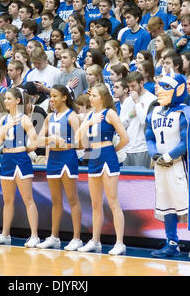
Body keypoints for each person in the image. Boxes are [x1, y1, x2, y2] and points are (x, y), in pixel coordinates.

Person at [145, 72, 190, 259]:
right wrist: (154, 154)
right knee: (166, 205)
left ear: (179, 89)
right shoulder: (153, 112)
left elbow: (187, 140)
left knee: (189, 204)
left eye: (166, 87)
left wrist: (169, 156)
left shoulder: (186, 112)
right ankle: (172, 244)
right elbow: (149, 136)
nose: (160, 90)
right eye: (159, 86)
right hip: (161, 166)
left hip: (180, 166)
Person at [75, 83, 129, 255]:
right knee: (95, 203)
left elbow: (125, 138)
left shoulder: (110, 113)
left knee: (113, 201)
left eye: (95, 95)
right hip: (92, 155)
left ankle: (120, 243)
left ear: (104, 97)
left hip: (106, 155)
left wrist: (113, 150)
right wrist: (87, 122)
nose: (91, 98)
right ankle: (95, 241)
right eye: (90, 95)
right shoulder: (90, 115)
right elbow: (78, 140)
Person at [0, 88, 40, 247]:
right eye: (5, 98)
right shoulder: (4, 120)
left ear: (18, 101)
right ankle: (5, 234)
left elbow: (35, 141)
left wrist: (25, 150)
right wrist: (7, 126)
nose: (5, 101)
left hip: (20, 159)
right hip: (7, 159)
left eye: (9, 98)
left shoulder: (24, 118)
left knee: (28, 199)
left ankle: (34, 236)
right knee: (7, 200)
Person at [36, 84, 83, 250]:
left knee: (72, 199)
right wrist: (52, 139)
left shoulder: (72, 116)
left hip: (67, 158)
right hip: (53, 159)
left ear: (64, 97)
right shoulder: (49, 117)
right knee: (55, 201)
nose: (52, 99)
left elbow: (82, 142)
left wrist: (66, 143)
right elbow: (37, 140)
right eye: (51, 96)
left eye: (55, 96)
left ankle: (77, 238)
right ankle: (54, 237)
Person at [119, 71, 157, 168]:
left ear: (141, 83)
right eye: (129, 87)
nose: (131, 90)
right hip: (127, 147)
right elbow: (120, 126)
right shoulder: (127, 100)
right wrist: (130, 116)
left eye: (133, 86)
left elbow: (144, 122)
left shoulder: (152, 99)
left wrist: (137, 102)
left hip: (142, 148)